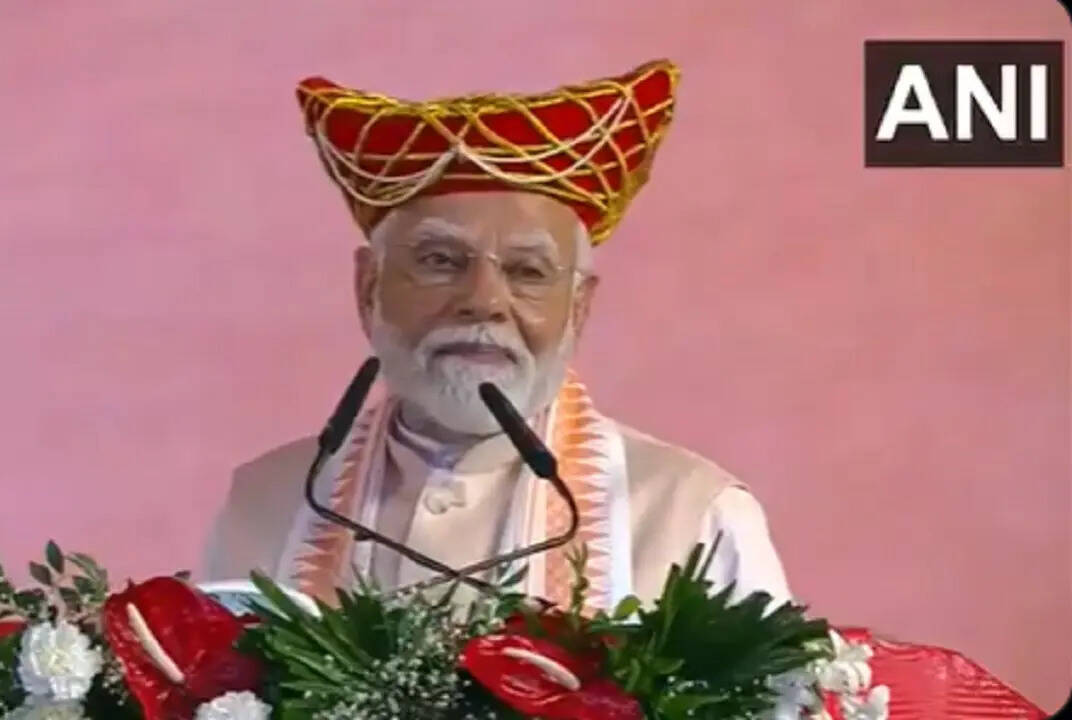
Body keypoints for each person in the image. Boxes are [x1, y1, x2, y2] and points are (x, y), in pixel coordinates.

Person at [201, 60, 792, 611]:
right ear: (368, 287)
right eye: (440, 261)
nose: (483, 302)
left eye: (527, 272)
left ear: (578, 309)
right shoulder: (268, 502)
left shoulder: (695, 517)